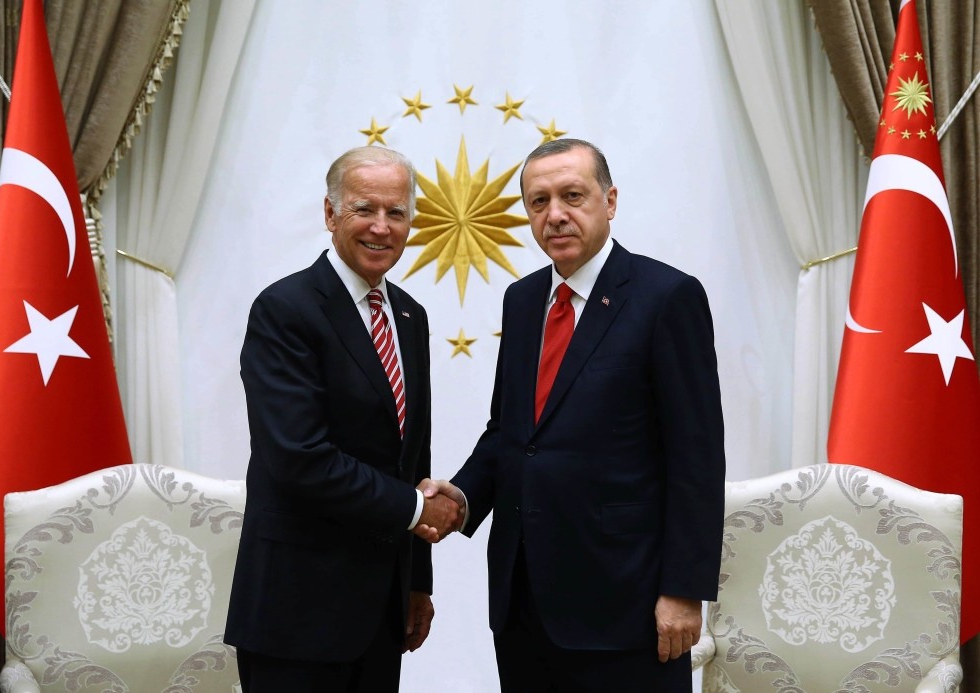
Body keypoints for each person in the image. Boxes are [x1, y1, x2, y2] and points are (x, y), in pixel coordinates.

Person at [424, 139, 725, 691]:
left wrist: (684, 590)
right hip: (523, 597)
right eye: (538, 202)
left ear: (609, 201)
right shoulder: (522, 300)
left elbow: (696, 456)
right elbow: (512, 434)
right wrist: (461, 498)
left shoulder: (667, 297)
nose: (555, 215)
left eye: (572, 196)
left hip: (626, 601)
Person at [225, 145, 462, 692]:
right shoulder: (284, 310)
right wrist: (415, 509)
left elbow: (412, 458)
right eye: (364, 210)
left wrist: (416, 581)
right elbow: (298, 458)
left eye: (396, 212)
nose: (382, 227)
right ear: (331, 214)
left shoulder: (408, 314)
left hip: (381, 611)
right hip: (296, 611)